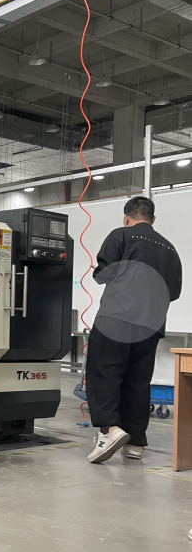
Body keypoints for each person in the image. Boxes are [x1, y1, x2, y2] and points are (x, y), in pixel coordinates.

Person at [86, 196, 182, 463]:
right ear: (153, 219)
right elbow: (174, 292)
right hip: (151, 325)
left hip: (116, 318)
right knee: (138, 381)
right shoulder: (170, 249)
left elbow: (104, 274)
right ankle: (136, 441)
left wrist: (97, 271)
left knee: (104, 374)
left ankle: (109, 430)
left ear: (126, 217)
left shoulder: (121, 235)